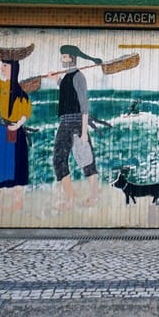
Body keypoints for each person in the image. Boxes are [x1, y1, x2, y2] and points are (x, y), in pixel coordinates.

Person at [50, 44, 103, 209]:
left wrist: (84, 132)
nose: (62, 59)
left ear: (72, 58)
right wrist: (56, 80)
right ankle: (71, 198)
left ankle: (94, 197)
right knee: (59, 160)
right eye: (62, 57)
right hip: (65, 122)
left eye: (65, 57)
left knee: (86, 159)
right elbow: (68, 94)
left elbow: (84, 104)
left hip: (77, 122)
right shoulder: (67, 77)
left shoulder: (79, 76)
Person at [0, 57, 31, 213]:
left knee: (17, 166)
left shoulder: (21, 92)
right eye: (2, 67)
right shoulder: (3, 85)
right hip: (4, 129)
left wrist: (18, 125)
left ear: (13, 70)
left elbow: (26, 111)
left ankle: (17, 203)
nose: (2, 69)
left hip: (14, 130)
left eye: (5, 67)